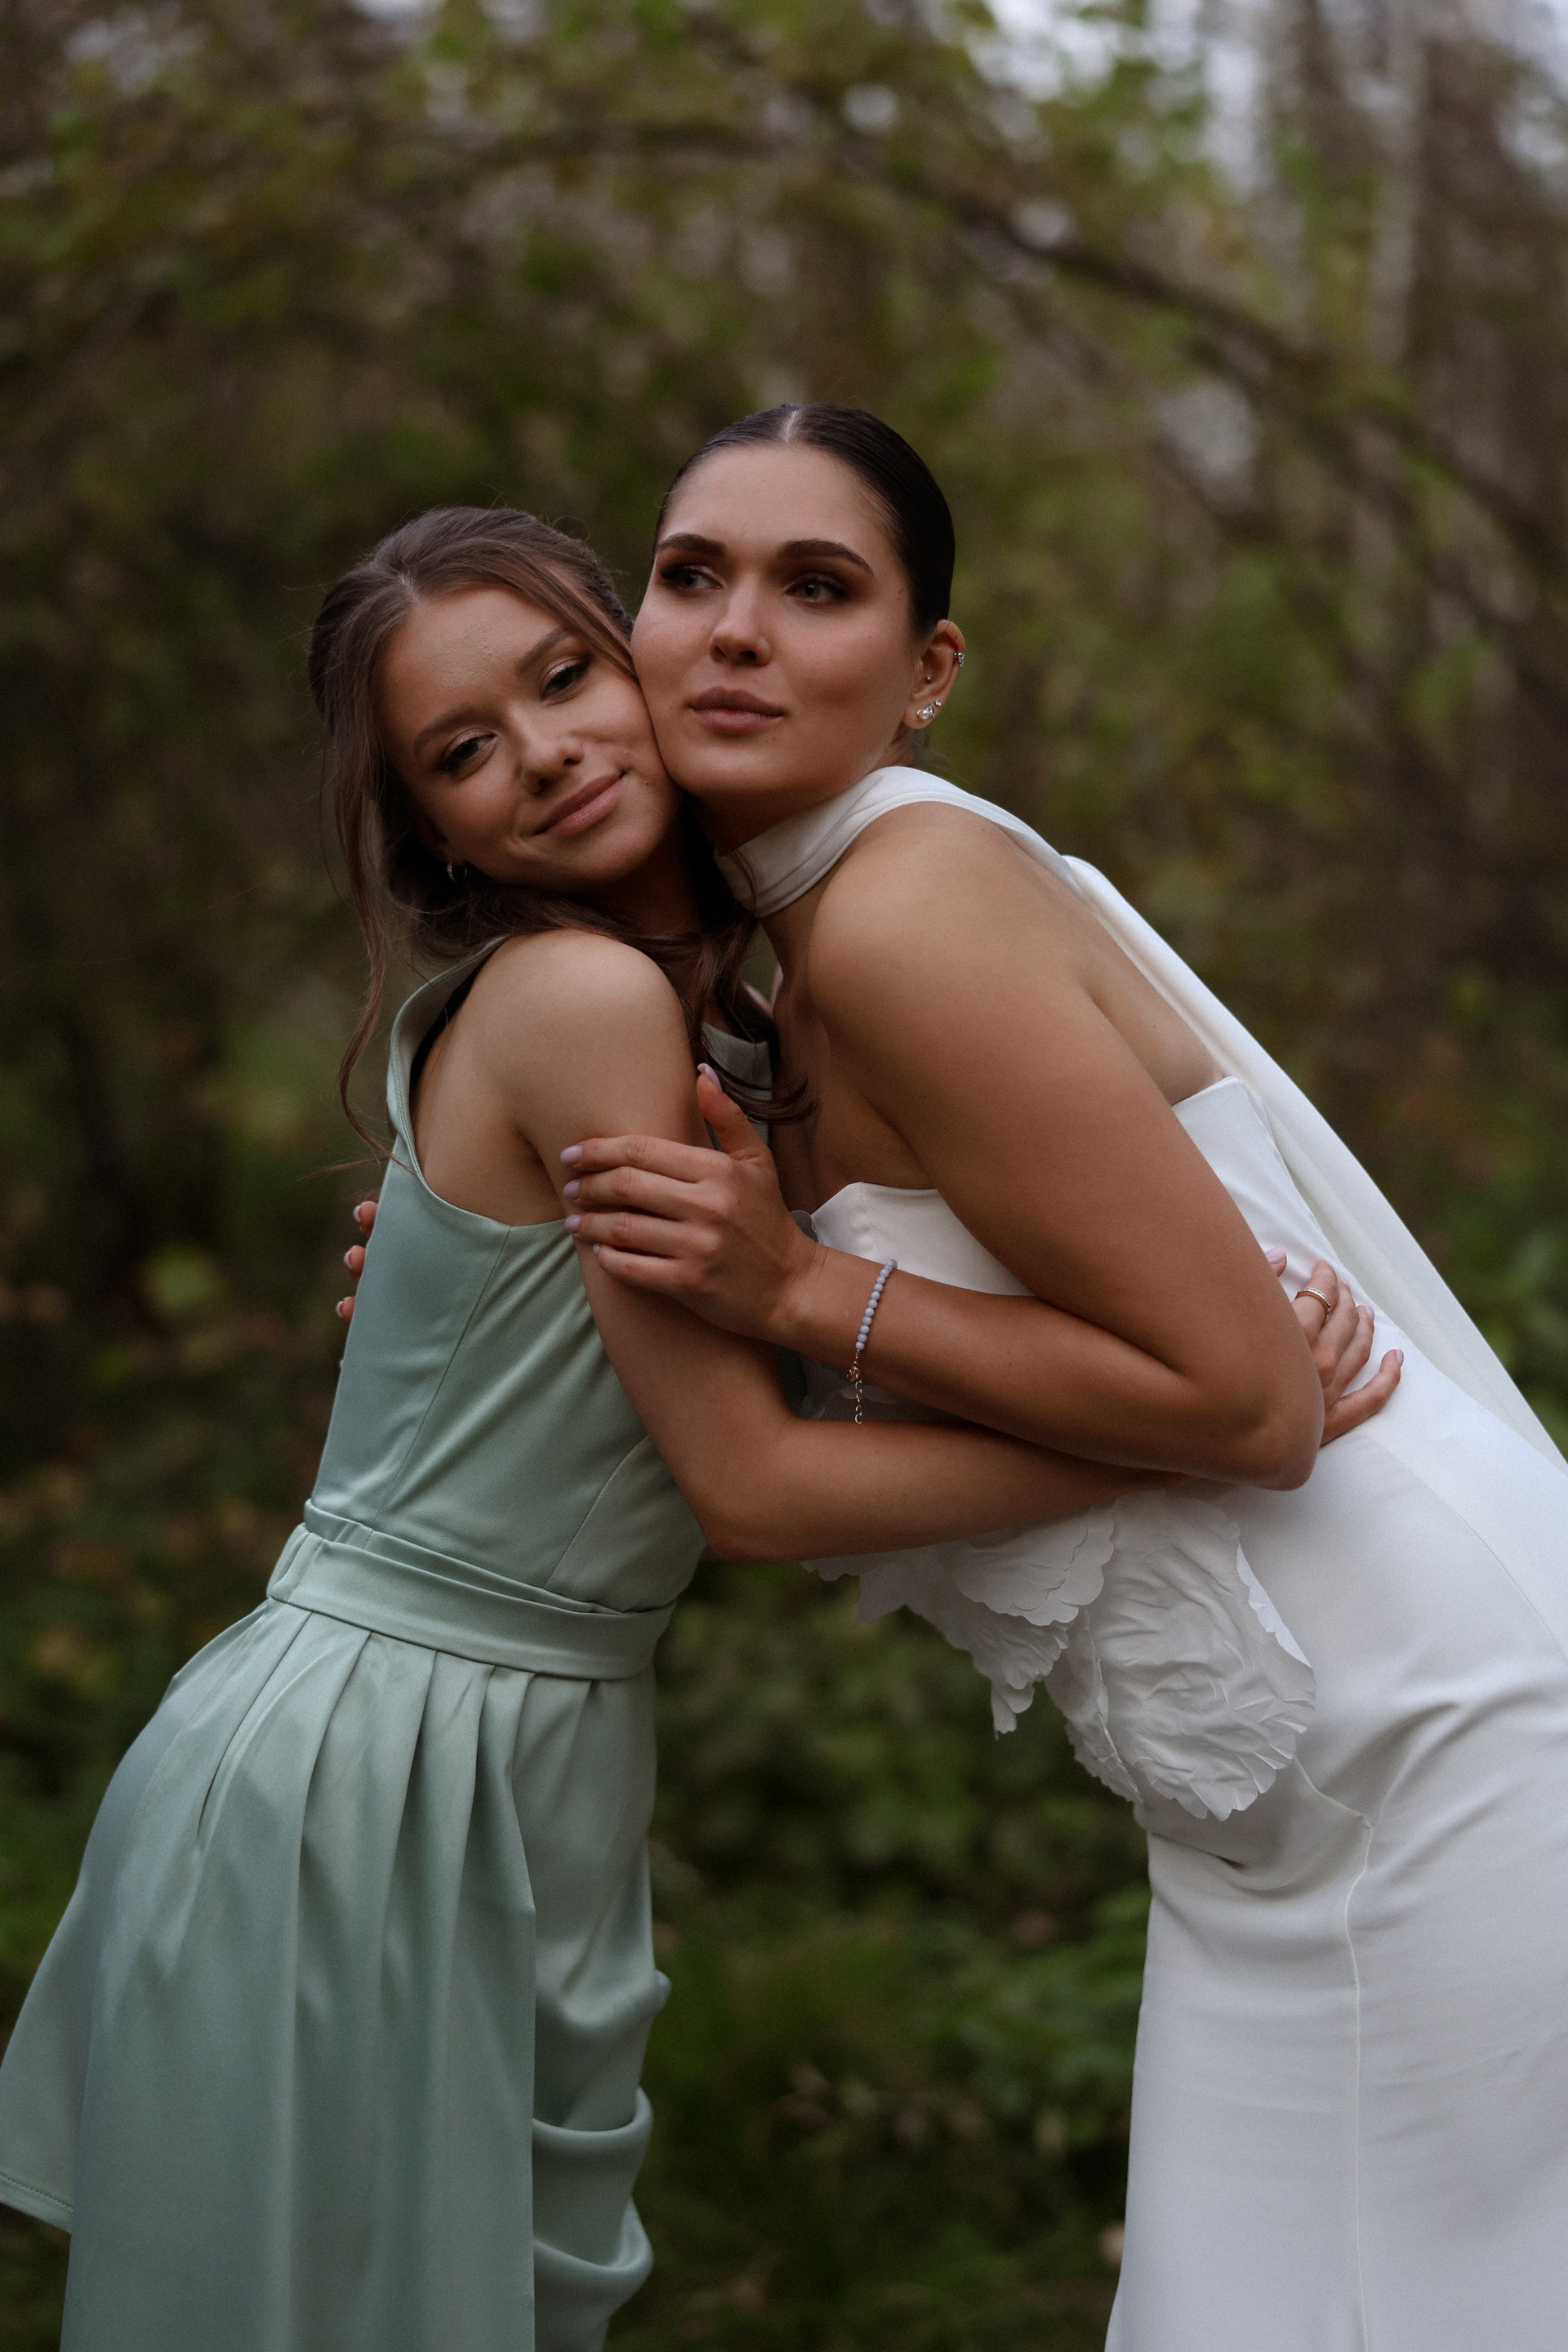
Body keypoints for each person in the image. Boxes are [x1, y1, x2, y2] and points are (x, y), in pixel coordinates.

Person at [0, 509, 1269, 2352]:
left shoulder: (733, 1018)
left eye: (563, 677)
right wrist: (1184, 1422)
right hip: (376, 1756)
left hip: (518, 1746)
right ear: (436, 832)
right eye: (463, 750)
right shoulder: (586, 999)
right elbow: (752, 1484)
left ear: (642, 664)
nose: (543, 752)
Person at [553, 403, 1568, 2351]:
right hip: (1262, 1814)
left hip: (1446, 1736)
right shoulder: (791, 981)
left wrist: (805, 1291)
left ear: (926, 672)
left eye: (817, 586)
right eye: (691, 577)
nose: (737, 628)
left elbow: (1247, 1406)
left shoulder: (908, 911)